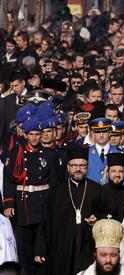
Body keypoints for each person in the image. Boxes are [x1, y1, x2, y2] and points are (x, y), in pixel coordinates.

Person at [35, 143, 108, 275]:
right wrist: (40, 249)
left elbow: (108, 213)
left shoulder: (96, 189)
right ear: (68, 167)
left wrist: (97, 217)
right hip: (62, 248)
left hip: (86, 247)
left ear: (87, 167)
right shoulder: (57, 190)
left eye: (82, 166)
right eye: (74, 165)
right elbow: (46, 221)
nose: (78, 169)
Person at [3, 113, 58, 274]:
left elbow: (54, 183)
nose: (34, 138)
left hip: (42, 205)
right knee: (25, 251)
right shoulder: (17, 154)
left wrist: (52, 207)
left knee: (41, 250)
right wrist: (8, 203)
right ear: (26, 135)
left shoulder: (49, 155)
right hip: (23, 206)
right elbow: (9, 180)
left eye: (37, 134)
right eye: (32, 134)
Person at [104, 153, 124, 221]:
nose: (117, 175)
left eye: (121, 171)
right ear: (108, 173)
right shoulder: (100, 191)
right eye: (113, 171)